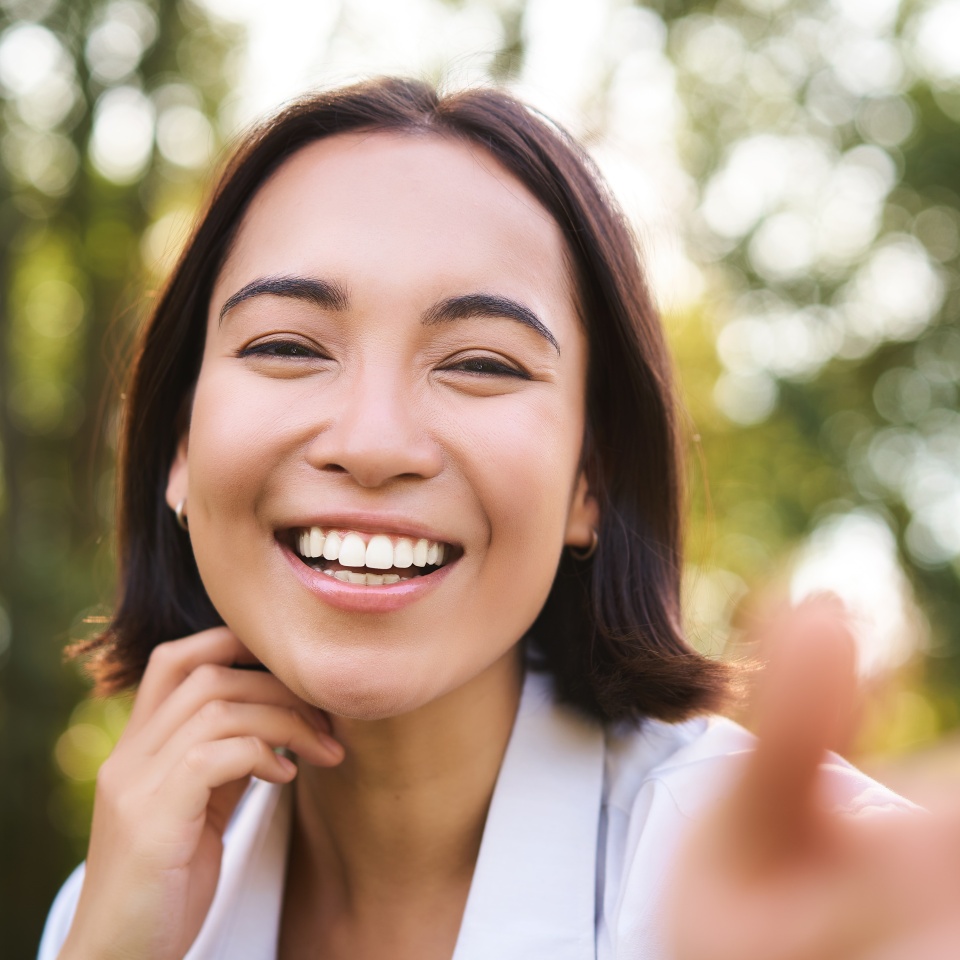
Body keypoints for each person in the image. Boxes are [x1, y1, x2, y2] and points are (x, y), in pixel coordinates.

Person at [37, 77, 960, 960]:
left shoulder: (795, 895)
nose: (372, 441)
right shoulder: (112, 909)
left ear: (588, 482)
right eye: (285, 345)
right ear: (178, 449)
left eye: (482, 363)